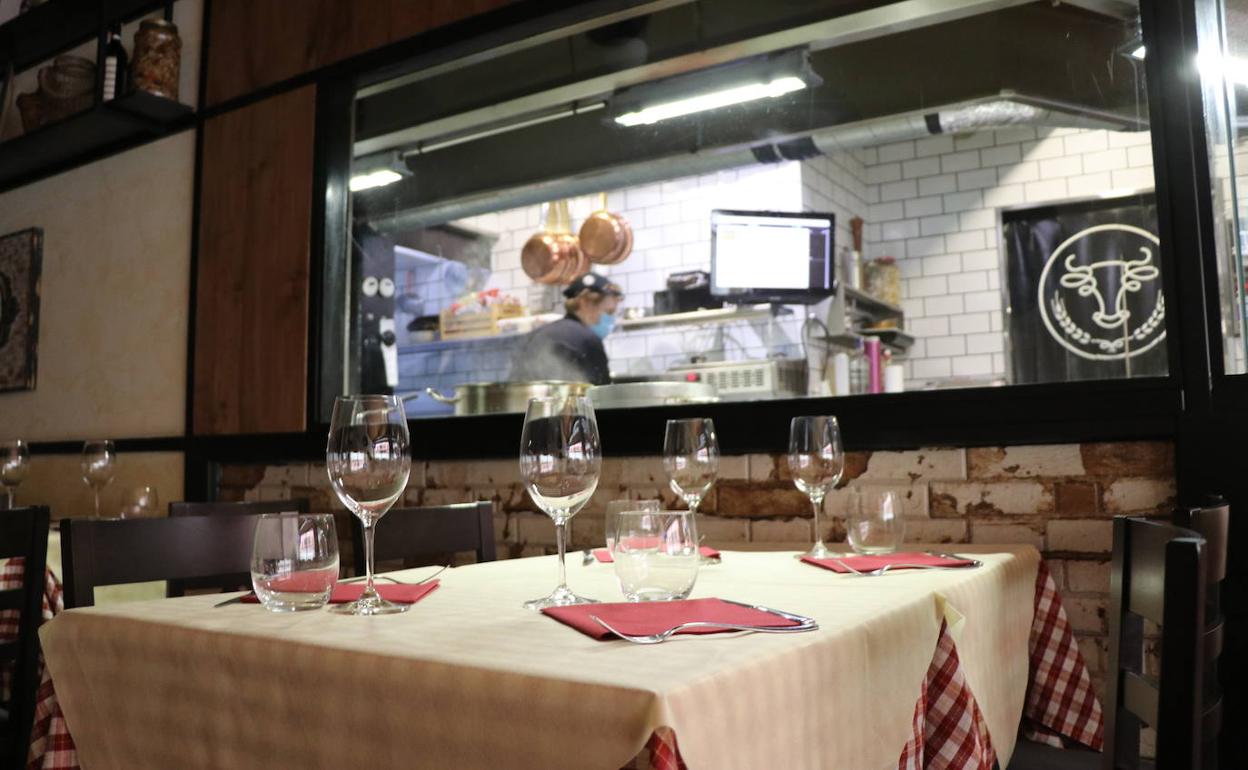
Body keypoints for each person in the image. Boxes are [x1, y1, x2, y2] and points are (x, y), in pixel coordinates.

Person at [511, 272, 623, 385]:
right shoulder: (587, 339)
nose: (611, 319)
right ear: (585, 303)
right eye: (609, 312)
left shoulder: (535, 335)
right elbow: (601, 391)